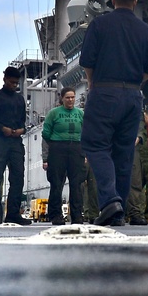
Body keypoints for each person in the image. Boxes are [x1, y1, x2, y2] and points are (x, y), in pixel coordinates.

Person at [79, 0, 148, 226]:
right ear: (135, 2)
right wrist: (134, 81)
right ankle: (118, 213)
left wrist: (94, 85)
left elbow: (87, 62)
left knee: (96, 146)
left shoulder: (99, 24)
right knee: (124, 154)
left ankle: (110, 201)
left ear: (112, 0)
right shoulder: (146, 30)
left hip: (104, 91)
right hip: (133, 95)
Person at [0, 66, 32, 225]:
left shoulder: (19, 99)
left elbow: (22, 122)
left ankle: (13, 213)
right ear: (5, 79)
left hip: (15, 142)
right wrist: (1, 129)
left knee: (18, 177)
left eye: (16, 83)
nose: (14, 85)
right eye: (12, 82)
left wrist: (21, 130)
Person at [42, 87, 85, 225]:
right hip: (58, 148)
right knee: (56, 183)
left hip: (76, 149)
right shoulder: (53, 113)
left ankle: (77, 216)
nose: (71, 100)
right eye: (67, 97)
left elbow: (86, 133)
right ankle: (56, 215)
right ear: (62, 98)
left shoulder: (80, 113)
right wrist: (48, 154)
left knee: (77, 184)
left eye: (72, 97)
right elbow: (46, 133)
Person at [127, 107, 148, 225]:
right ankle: (133, 213)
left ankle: (142, 213)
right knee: (135, 184)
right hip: (135, 153)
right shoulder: (138, 117)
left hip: (145, 156)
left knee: (145, 186)